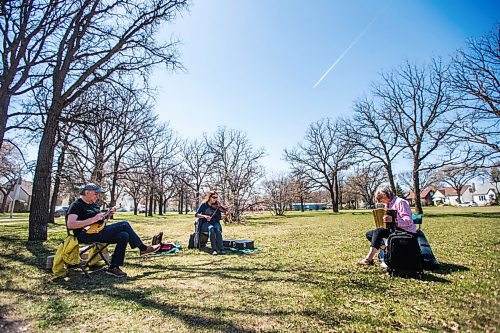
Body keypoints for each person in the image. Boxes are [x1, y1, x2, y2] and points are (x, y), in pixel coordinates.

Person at [67, 183, 160, 277]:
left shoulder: (94, 205)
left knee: (124, 235)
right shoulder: (76, 205)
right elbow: (70, 224)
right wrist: (92, 219)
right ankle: (143, 248)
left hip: (97, 232)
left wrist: (107, 214)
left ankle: (114, 267)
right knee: (124, 224)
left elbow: (98, 223)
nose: (98, 196)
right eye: (96, 193)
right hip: (84, 235)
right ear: (87, 192)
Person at [357, 186, 416, 266]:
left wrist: (393, 220)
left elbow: (408, 220)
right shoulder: (389, 204)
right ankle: (386, 249)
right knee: (369, 234)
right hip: (394, 229)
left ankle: (369, 259)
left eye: (382, 199)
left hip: (405, 231)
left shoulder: (400, 202)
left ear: (387, 195)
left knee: (379, 231)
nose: (381, 201)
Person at [195, 191, 230, 255]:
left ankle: (221, 248)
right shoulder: (204, 205)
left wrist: (226, 214)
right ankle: (214, 249)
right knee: (211, 228)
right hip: (205, 223)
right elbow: (196, 214)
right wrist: (205, 216)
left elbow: (220, 218)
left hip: (215, 222)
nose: (215, 199)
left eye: (216, 197)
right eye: (214, 197)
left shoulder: (217, 206)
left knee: (217, 229)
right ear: (209, 197)